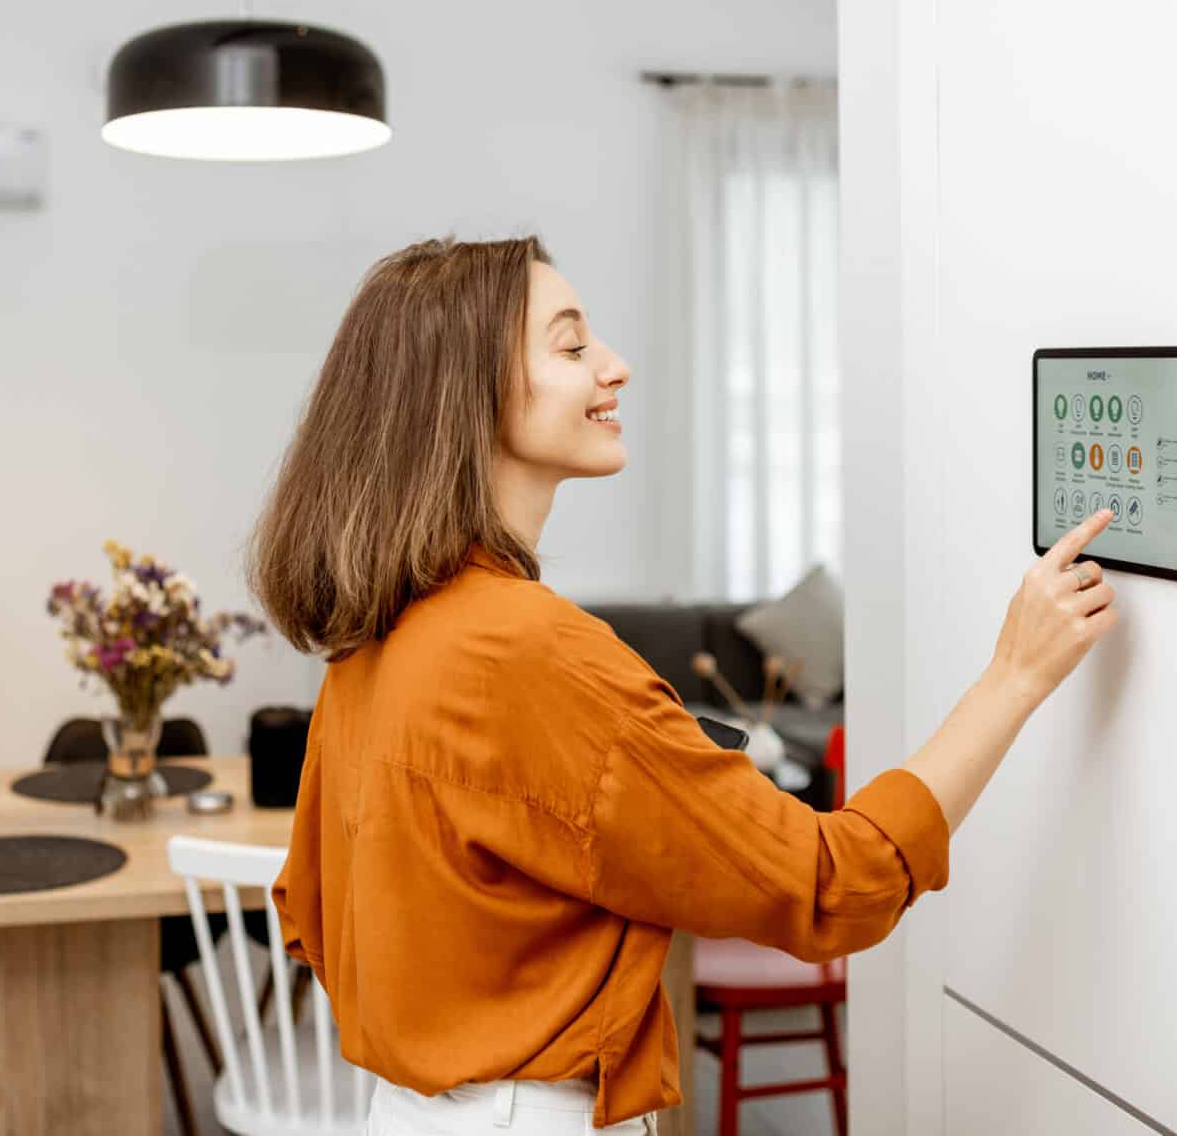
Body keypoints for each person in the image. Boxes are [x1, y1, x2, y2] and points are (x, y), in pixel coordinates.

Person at [248, 236, 1118, 1135]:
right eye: (572, 345)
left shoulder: (372, 636)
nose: (614, 366)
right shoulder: (531, 650)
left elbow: (308, 913)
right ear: (468, 392)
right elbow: (831, 883)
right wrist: (1014, 674)